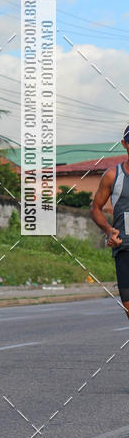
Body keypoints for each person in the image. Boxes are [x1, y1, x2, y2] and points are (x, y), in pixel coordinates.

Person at [90, 125, 129, 320]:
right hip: (125, 249)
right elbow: (95, 207)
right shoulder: (113, 176)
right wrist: (108, 230)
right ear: (125, 144)